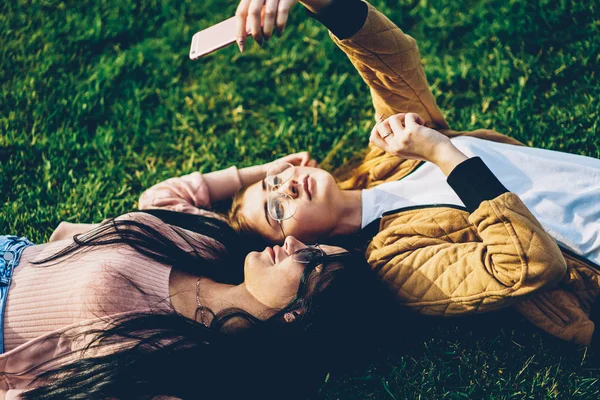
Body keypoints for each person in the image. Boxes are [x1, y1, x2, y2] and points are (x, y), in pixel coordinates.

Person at [144, 0, 600, 346]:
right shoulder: (392, 262)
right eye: (277, 210)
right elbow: (529, 264)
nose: (285, 188)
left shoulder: (389, 159)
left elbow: (389, 61)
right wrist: (442, 154)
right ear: (291, 244)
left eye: (274, 181)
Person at [0, 209, 376, 399]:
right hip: (12, 252)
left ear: (298, 314)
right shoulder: (213, 242)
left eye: (308, 258)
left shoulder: (181, 366)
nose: (293, 241)